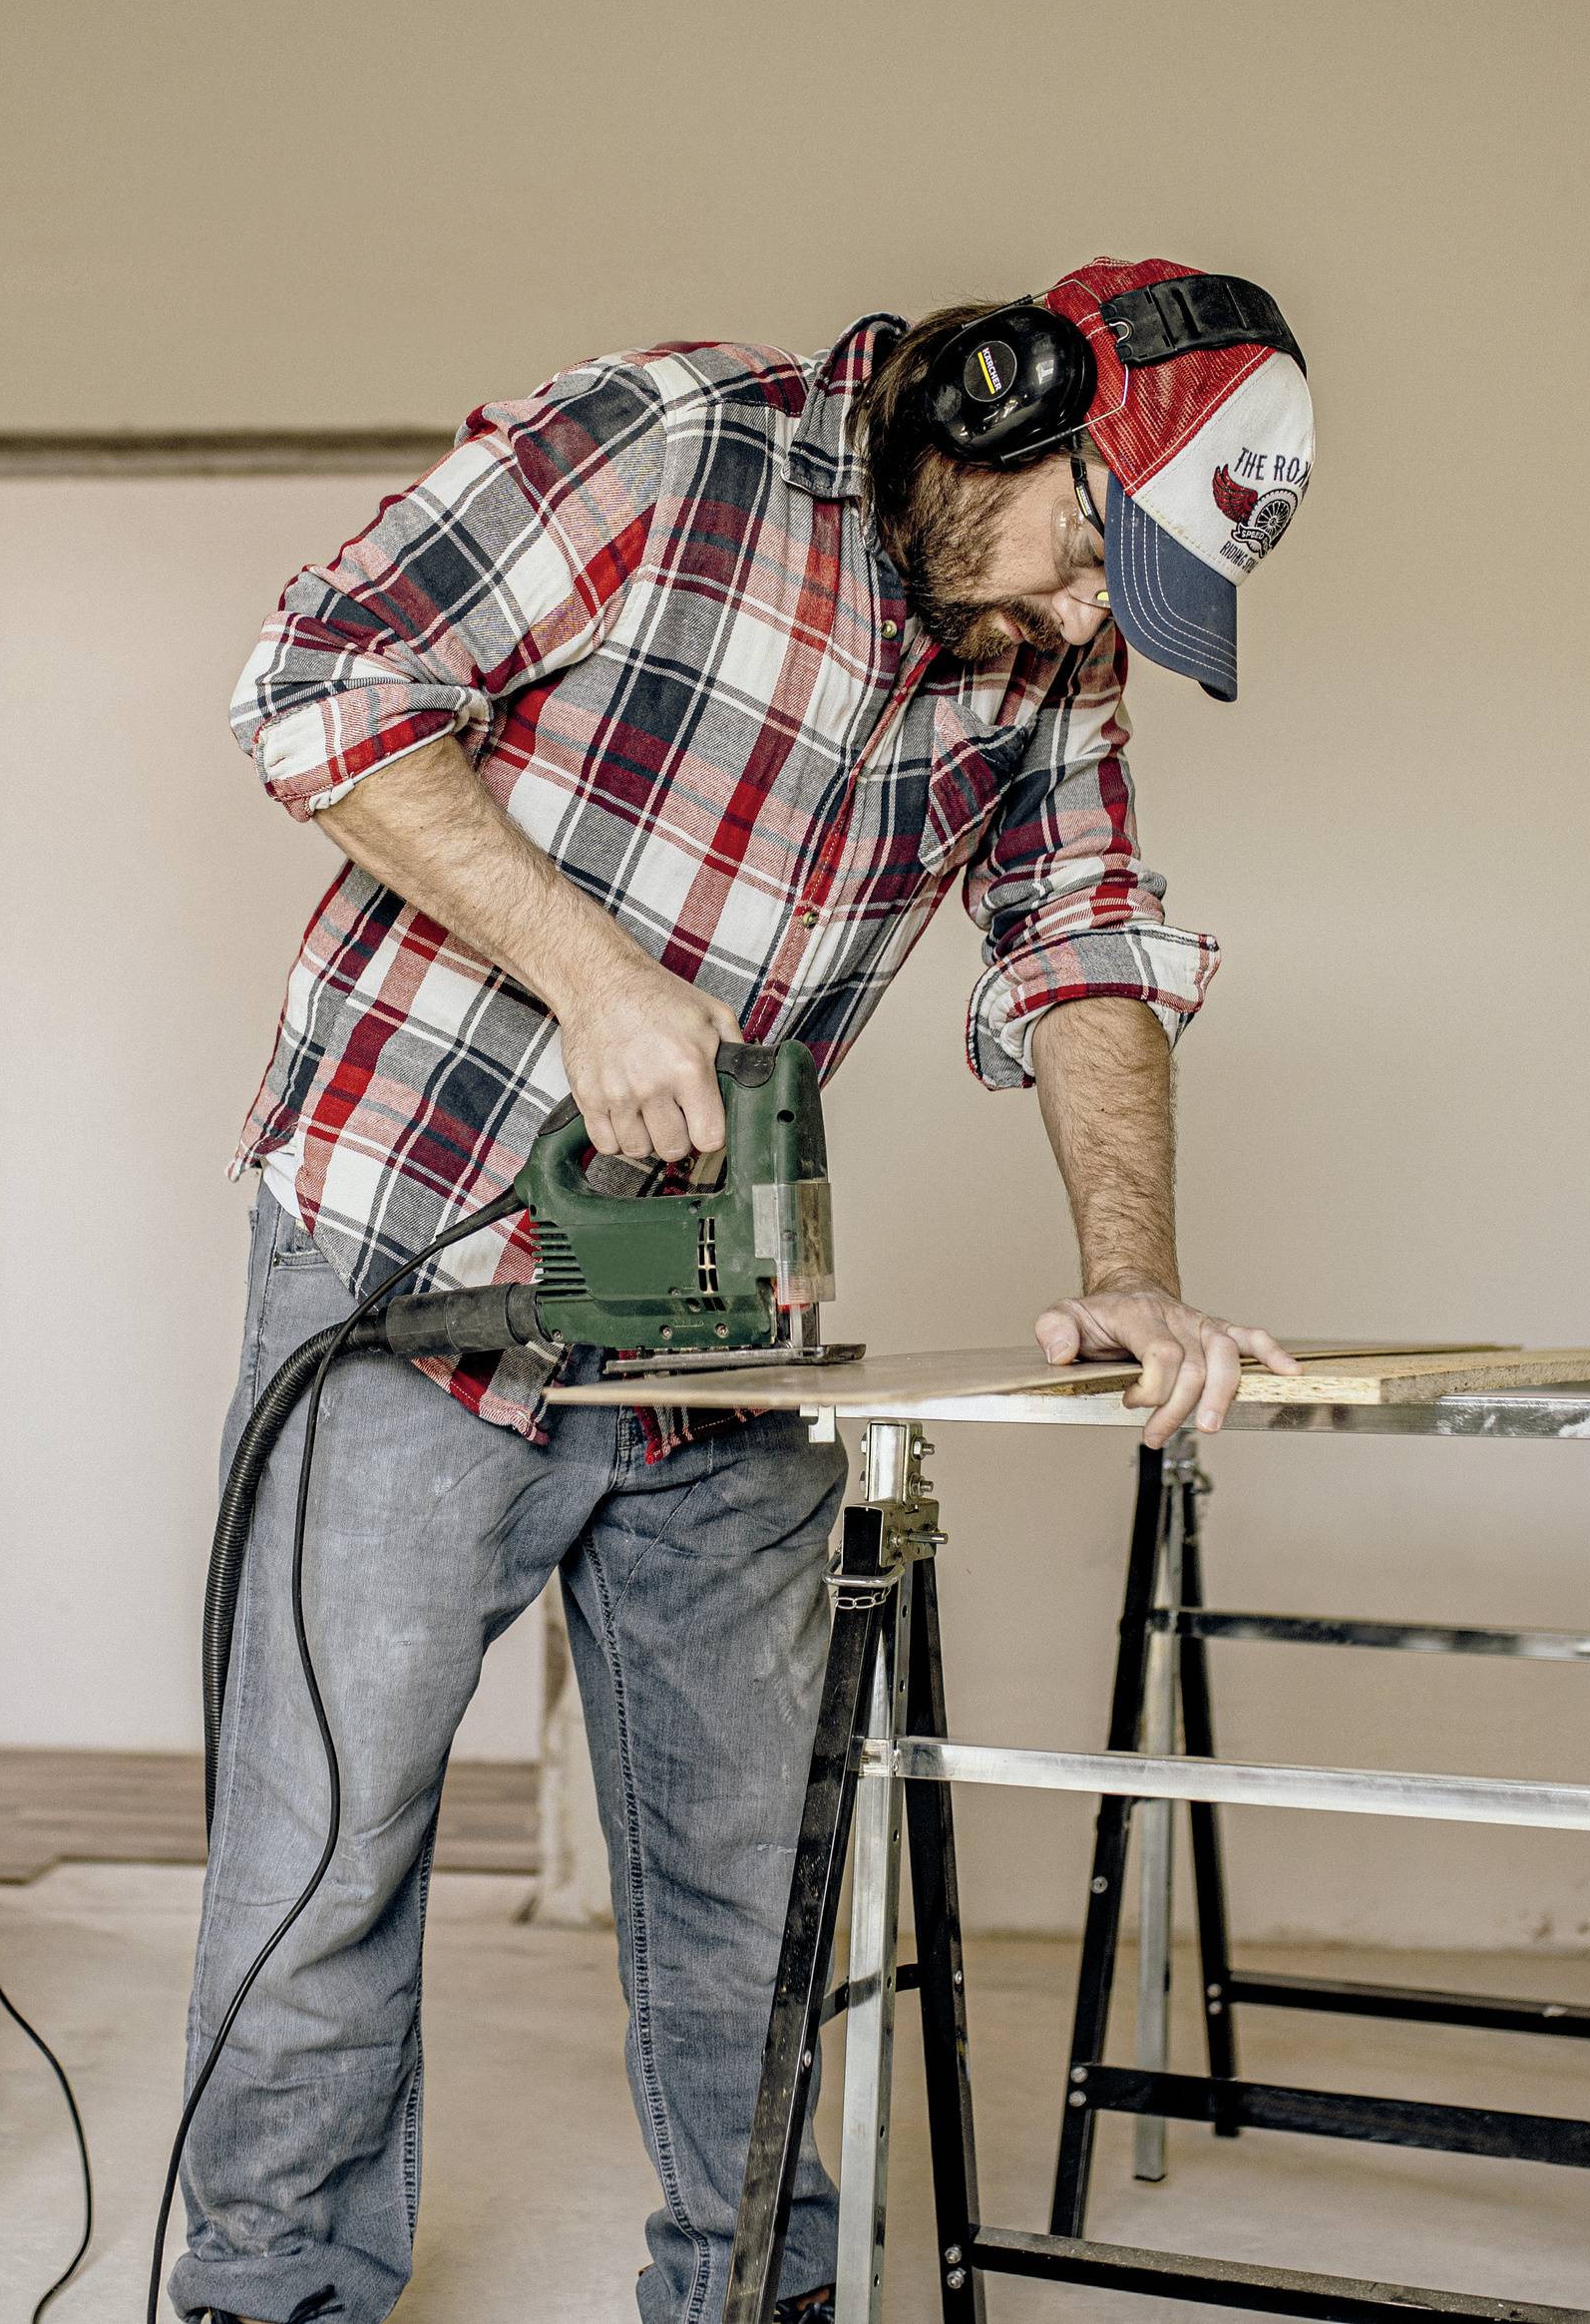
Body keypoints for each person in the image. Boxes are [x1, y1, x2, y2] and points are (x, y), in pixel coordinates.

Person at [180, 257, 1315, 2324]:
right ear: (996, 406)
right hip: (409, 1260)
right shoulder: (675, 443)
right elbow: (318, 681)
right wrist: (594, 975)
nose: (1079, 628)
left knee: (750, 1879)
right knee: (324, 1852)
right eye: (1087, 556)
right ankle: (265, 2300)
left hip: (712, 1316)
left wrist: (1129, 1274)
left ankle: (750, 2298)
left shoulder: (1041, 660)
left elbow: (1081, 944)